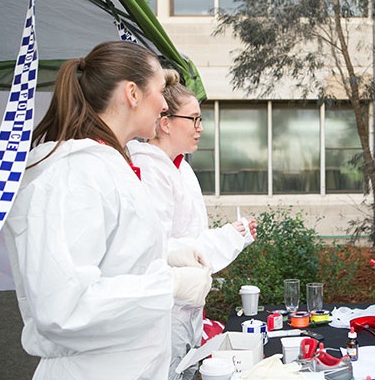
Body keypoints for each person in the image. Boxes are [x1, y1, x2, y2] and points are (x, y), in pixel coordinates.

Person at [3, 41, 209, 380]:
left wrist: (168, 253)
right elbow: (64, 307)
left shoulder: (106, 165)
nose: (163, 104)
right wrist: (169, 285)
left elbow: (114, 261)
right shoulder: (74, 176)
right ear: (132, 93)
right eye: (159, 91)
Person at [127, 69, 257, 379]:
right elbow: (157, 247)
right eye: (194, 119)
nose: (200, 128)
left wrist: (232, 236)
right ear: (166, 122)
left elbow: (190, 238)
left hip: (187, 308)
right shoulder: (148, 168)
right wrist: (227, 238)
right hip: (164, 313)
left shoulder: (180, 167)